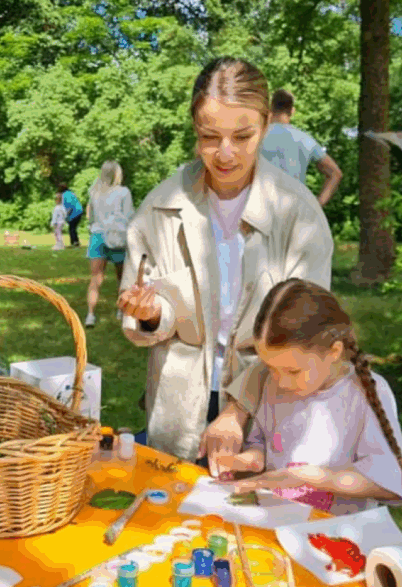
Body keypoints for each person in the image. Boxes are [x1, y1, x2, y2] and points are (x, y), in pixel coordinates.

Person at [116, 57, 334, 464]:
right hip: (178, 410)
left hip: (270, 406)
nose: (225, 154)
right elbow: (145, 320)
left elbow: (305, 336)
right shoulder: (159, 206)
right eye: (209, 136)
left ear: (266, 125)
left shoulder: (299, 214)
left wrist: (238, 409)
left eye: (243, 135)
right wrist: (149, 313)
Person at [214, 278, 402, 527]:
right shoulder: (277, 382)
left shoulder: (364, 393)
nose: (281, 381)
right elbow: (262, 439)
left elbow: (387, 481)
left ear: (333, 352)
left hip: (338, 536)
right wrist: (251, 458)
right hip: (281, 523)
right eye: (270, 368)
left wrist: (312, 478)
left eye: (292, 371)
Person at [258, 89, 343, 206]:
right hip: (293, 213)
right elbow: (335, 173)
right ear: (292, 111)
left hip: (259, 213)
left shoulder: (255, 138)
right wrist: (317, 206)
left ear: (270, 110)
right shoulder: (306, 139)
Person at [85, 160, 134, 328]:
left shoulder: (94, 192)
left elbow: (90, 216)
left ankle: (90, 315)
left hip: (97, 236)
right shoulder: (123, 192)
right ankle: (121, 311)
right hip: (117, 237)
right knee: (122, 277)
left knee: (95, 278)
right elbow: (129, 215)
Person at [60, 183, 84, 247]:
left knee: (72, 228)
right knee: (73, 228)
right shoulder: (71, 193)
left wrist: (66, 215)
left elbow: (69, 206)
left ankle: (74, 242)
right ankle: (76, 242)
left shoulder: (65, 195)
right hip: (79, 211)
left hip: (75, 212)